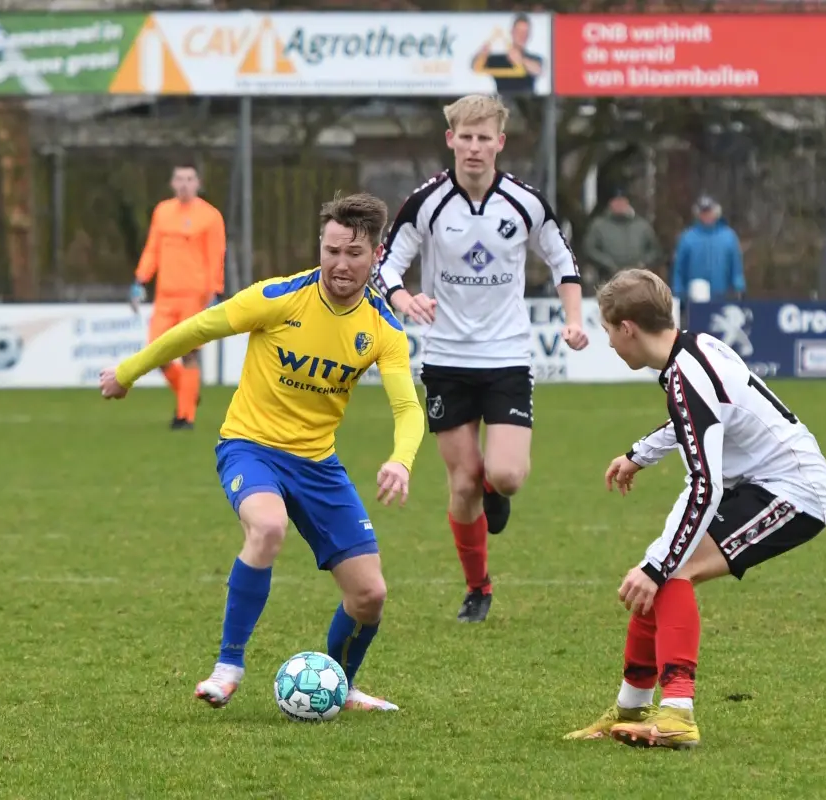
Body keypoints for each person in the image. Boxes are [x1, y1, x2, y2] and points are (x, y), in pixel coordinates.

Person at [100, 192, 424, 712]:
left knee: (370, 596)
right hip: (250, 448)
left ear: (376, 255)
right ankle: (228, 666)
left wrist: (400, 459)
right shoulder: (280, 297)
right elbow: (198, 327)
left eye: (354, 253)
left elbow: (407, 407)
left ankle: (338, 686)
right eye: (332, 250)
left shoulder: (382, 327)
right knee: (268, 527)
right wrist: (127, 372)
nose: (341, 264)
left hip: (318, 464)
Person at [564, 268, 826, 749]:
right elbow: (694, 419)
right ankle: (631, 709)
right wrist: (640, 454)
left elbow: (704, 486)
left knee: (670, 570)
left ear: (628, 328)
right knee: (661, 566)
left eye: (608, 330)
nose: (609, 342)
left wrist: (658, 565)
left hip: (794, 492)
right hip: (762, 482)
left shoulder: (687, 374)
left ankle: (677, 713)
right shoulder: (693, 349)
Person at [371, 93, 588, 624]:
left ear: (499, 143)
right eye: (464, 137)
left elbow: (563, 259)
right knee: (463, 481)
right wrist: (404, 298)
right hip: (446, 359)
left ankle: (497, 489)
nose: (473, 147)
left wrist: (575, 319)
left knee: (505, 475)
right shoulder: (425, 202)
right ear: (451, 140)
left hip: (507, 355)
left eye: (483, 138)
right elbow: (387, 266)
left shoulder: (525, 202)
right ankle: (478, 587)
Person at [130, 161, 226, 430]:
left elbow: (216, 255)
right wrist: (140, 280)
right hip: (165, 295)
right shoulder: (162, 212)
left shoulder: (210, 216)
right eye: (180, 179)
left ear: (198, 184)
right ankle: (188, 392)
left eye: (189, 179)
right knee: (155, 353)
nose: (184, 184)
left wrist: (215, 291)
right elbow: (152, 249)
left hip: (194, 296)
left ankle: (185, 417)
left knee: (189, 353)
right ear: (172, 183)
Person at [581, 188, 664, 289]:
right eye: (616, 201)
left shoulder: (642, 226)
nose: (619, 204)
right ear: (610, 203)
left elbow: (655, 250)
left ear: (627, 203)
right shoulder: (598, 226)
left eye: (622, 201)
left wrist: (642, 263)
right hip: (608, 281)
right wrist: (607, 263)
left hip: (638, 282)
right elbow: (590, 249)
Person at [670, 195, 744, 304]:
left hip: (723, 298)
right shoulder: (687, 238)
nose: (706, 216)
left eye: (709, 212)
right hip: (694, 300)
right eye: (703, 212)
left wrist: (739, 288)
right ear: (698, 214)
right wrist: (678, 293)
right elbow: (679, 270)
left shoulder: (729, 237)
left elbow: (736, 267)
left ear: (716, 212)